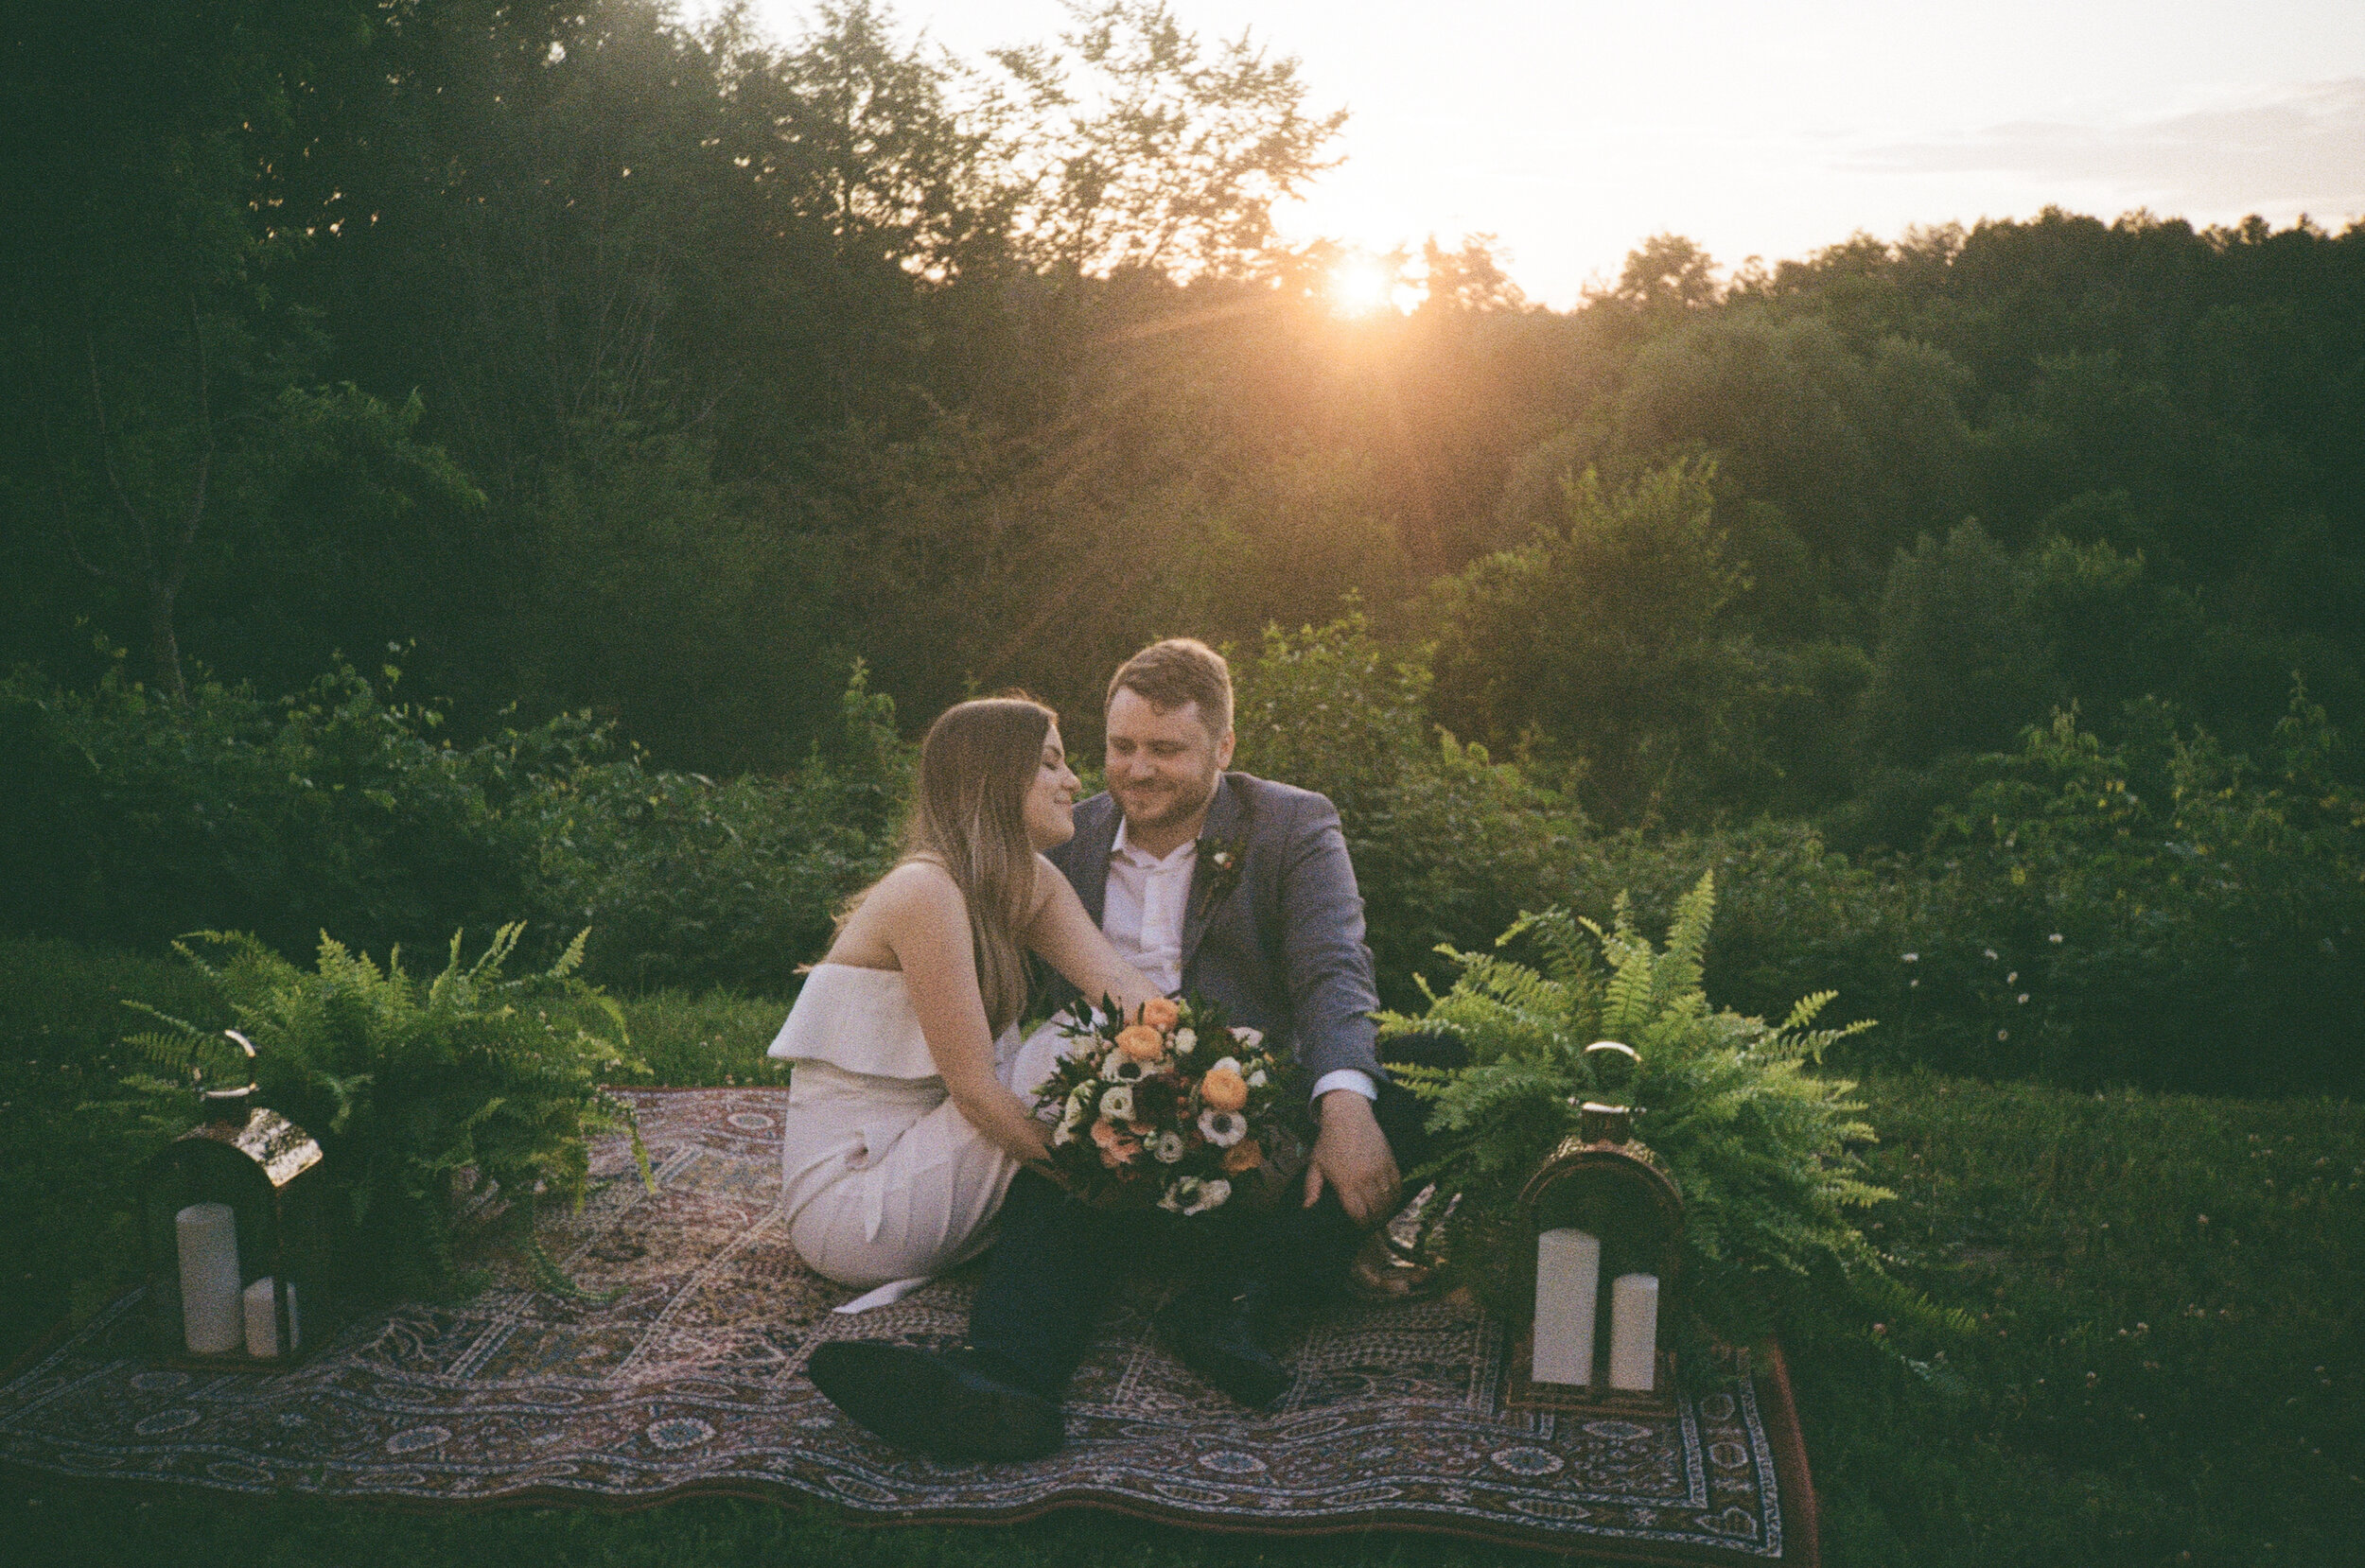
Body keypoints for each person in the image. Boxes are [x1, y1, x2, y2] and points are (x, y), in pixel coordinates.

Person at [807, 639, 1456, 1461]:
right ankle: (1006, 1379)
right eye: (1120, 747)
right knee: (1074, 1086)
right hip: (1104, 1136)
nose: (1135, 770)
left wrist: (1345, 1107)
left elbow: (1333, 972)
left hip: (1248, 1115)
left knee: (1441, 1060)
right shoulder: (1055, 842)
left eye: (1165, 749)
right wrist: (1106, 1145)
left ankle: (1238, 1298)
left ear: (1223, 748)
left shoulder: (1291, 824)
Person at [768, 696, 1161, 1315]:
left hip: (928, 1161)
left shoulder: (1029, 880)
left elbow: (1132, 998)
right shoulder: (924, 891)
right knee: (1076, 1045)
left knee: (1131, 1042)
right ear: (996, 778)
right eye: (1050, 764)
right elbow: (976, 1094)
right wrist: (1087, 1182)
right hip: (852, 1209)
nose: (1074, 782)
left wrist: (1227, 1072)